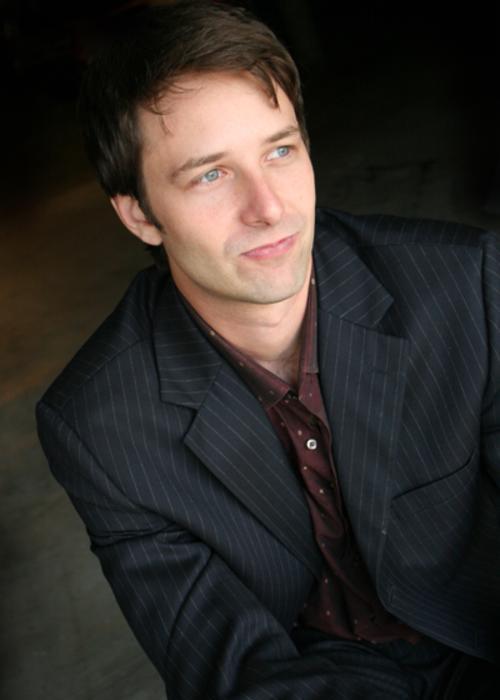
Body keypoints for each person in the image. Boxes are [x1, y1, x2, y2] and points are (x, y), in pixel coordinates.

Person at [36, 1, 499, 697]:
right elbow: (235, 671)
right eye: (211, 175)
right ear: (139, 214)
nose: (270, 207)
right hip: (320, 669)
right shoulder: (100, 424)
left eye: (279, 151)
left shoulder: (464, 287)